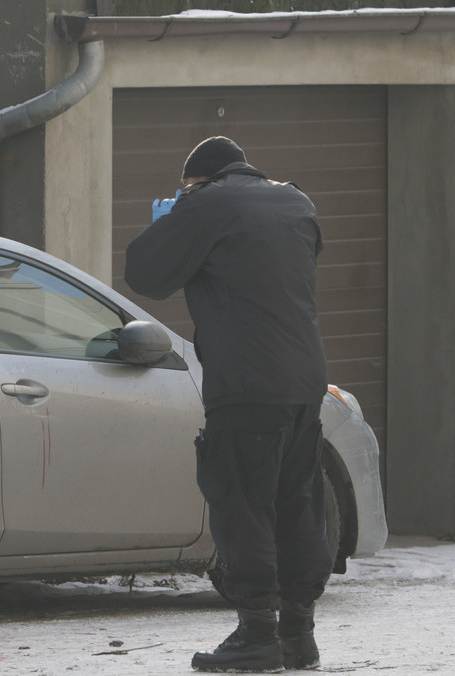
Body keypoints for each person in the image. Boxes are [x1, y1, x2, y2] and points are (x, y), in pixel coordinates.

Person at [125, 137, 333, 673]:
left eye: (184, 187)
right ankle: (299, 636)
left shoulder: (207, 202)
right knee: (297, 503)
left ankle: (257, 636)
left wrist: (173, 218)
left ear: (198, 180)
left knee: (243, 504)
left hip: (244, 383)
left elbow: (145, 272)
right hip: (304, 381)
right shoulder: (296, 201)